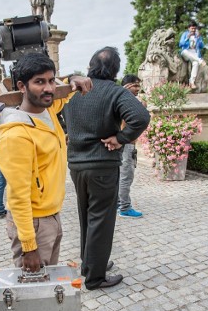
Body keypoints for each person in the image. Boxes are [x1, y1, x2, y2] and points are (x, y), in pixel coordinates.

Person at [0, 52, 92, 311]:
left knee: (46, 284)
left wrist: (74, 81)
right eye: (40, 82)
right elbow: (17, 196)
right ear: (21, 86)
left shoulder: (46, 110)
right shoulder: (17, 134)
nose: (48, 88)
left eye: (51, 80)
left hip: (50, 215)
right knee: (31, 290)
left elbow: (61, 95)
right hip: (32, 223)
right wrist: (29, 245)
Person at [63, 47, 150, 290]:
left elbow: (59, 118)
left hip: (76, 164)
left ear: (91, 66)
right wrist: (121, 138)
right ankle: (95, 277)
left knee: (86, 214)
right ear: (115, 70)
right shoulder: (114, 91)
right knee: (101, 218)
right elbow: (141, 117)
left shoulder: (72, 92)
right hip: (102, 163)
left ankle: (89, 264)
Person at [118, 75, 146, 218]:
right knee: (126, 176)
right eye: (135, 86)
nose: (138, 89)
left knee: (121, 176)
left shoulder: (121, 101)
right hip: (126, 144)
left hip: (125, 144)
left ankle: (118, 203)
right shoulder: (125, 103)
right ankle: (125, 207)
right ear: (127, 86)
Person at [179, 21, 205, 90]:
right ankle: (200, 61)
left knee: (195, 63)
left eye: (194, 28)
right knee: (184, 52)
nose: (193, 30)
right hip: (186, 52)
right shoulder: (185, 34)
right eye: (192, 28)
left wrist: (199, 38)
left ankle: (192, 82)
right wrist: (187, 38)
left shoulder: (197, 36)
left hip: (194, 54)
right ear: (188, 28)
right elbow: (180, 44)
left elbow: (202, 46)